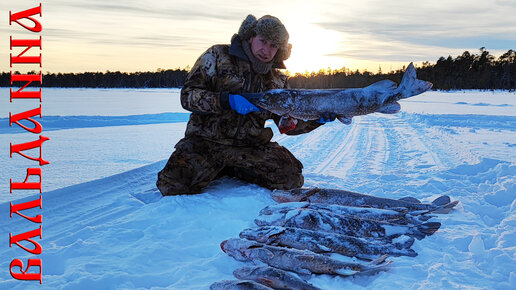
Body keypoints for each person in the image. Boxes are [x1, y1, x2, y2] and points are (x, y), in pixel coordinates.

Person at [156, 14, 335, 196]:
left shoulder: (278, 79)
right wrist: (227, 101)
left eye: (273, 45)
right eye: (262, 41)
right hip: (207, 142)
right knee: (172, 185)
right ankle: (220, 166)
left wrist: (316, 119)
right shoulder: (217, 56)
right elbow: (188, 96)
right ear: (250, 37)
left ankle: (232, 167)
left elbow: (287, 123)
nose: (266, 50)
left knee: (291, 180)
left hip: (251, 147)